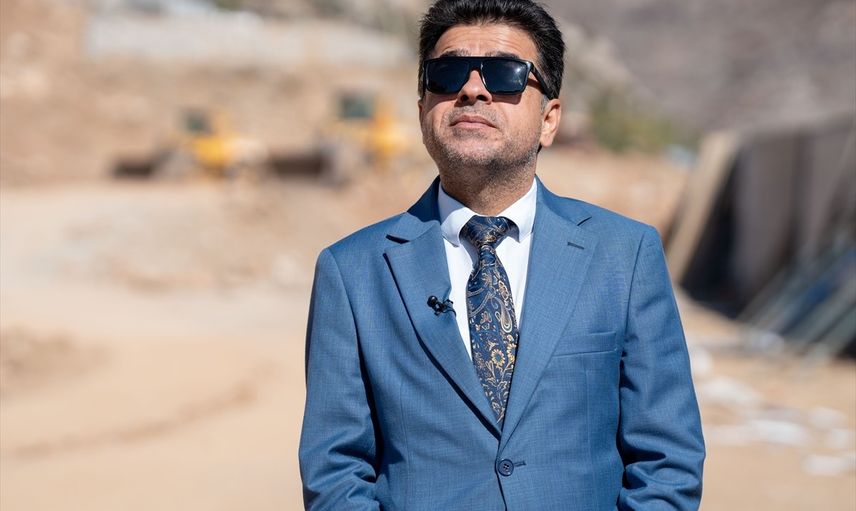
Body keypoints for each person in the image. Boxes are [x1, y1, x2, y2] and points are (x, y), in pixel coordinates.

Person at [298, 0, 705, 509]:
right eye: (447, 75)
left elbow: (667, 460)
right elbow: (336, 472)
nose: (472, 89)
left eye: (505, 74)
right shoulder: (352, 272)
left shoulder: (624, 256)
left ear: (550, 119)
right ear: (422, 110)